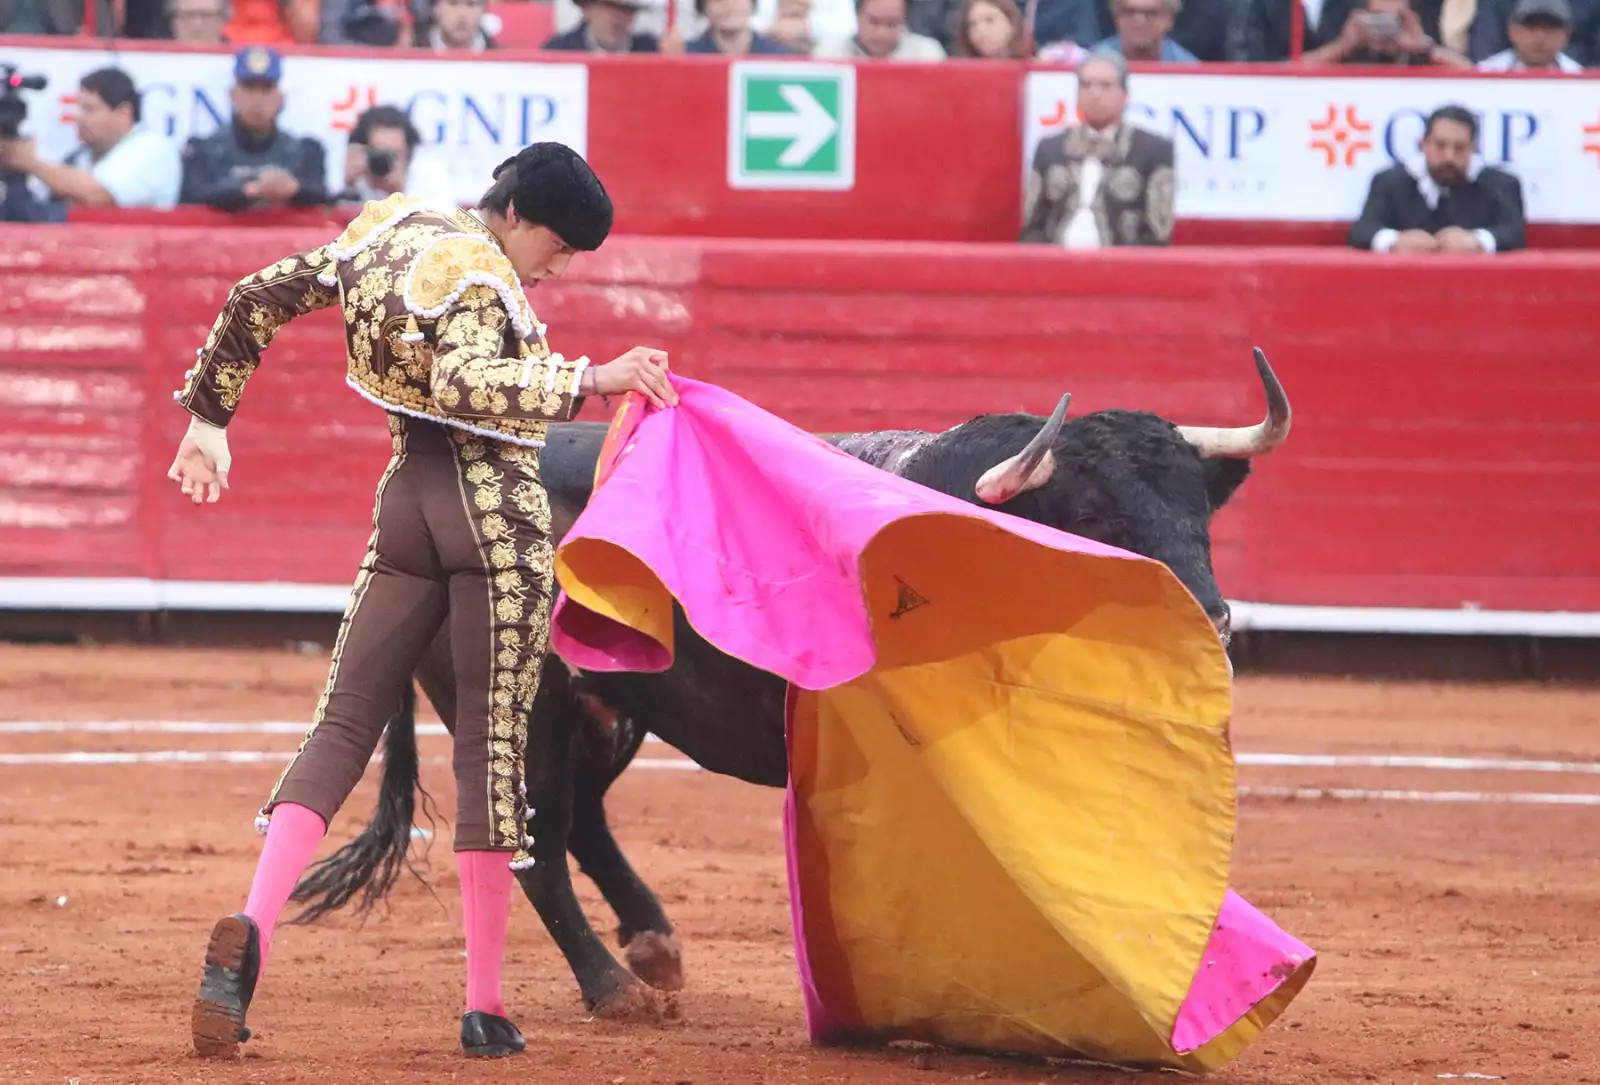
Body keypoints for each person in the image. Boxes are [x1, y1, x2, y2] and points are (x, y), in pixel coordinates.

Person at [170, 143, 679, 1060]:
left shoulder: (389, 227)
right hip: (493, 517)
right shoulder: (482, 273)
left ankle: (252, 933)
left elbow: (257, 295)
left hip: (403, 505)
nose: (560, 267)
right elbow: (465, 383)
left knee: (338, 729)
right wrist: (590, 378)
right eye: (559, 246)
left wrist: (209, 420)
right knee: (491, 749)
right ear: (516, 211)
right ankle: (484, 1005)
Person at [1020, 52, 1176, 248]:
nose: (1095, 94)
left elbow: (1158, 231)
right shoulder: (1050, 148)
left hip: (1122, 269)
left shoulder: (1153, 150)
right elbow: (1032, 224)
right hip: (1055, 265)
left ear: (1125, 95)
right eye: (1086, 85)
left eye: (1106, 86)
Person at [0, 67, 182, 216]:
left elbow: (99, 195)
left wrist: (28, 163)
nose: (79, 117)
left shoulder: (152, 146)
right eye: (79, 108)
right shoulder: (81, 155)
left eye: (89, 109)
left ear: (124, 112)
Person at [1347, 104, 1525, 254]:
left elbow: (1514, 233)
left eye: (1460, 148)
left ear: (1473, 148)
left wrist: (1477, 240)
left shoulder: (1501, 184)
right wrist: (1396, 240)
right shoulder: (1389, 182)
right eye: (1440, 145)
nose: (1449, 157)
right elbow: (1362, 230)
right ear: (1423, 144)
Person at [178, 46, 330, 211]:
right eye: (249, 89)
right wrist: (250, 191)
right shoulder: (202, 151)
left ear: (280, 98)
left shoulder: (305, 151)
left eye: (266, 89)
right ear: (233, 96)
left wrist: (295, 190)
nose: (257, 100)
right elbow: (190, 199)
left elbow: (325, 199)